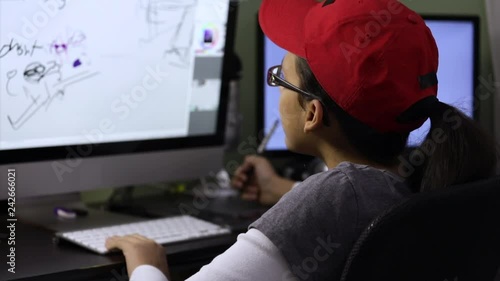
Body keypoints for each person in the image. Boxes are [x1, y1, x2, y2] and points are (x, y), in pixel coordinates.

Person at [105, 0, 499, 280]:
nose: (275, 84)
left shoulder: (335, 194)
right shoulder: (421, 180)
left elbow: (336, 202)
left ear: (313, 113)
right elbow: (355, 208)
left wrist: (147, 263)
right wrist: (282, 190)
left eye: (279, 76)